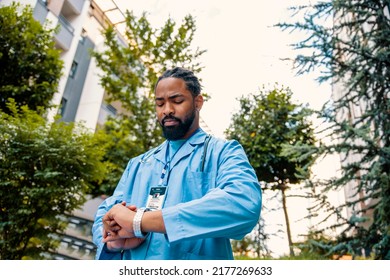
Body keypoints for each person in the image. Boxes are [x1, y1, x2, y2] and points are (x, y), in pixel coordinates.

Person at [92, 67, 262, 260]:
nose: (167, 110)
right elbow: (104, 215)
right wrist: (112, 242)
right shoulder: (138, 164)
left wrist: (141, 221)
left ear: (198, 102)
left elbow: (243, 204)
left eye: (177, 101)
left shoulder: (223, 152)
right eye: (159, 103)